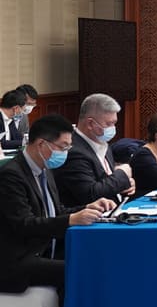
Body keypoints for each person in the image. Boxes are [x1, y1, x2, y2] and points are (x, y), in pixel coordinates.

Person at [0, 114, 115, 296]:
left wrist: (88, 208)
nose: (66, 153)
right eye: (63, 147)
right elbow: (25, 224)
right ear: (41, 144)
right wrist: (71, 219)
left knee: (101, 257)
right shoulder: (12, 175)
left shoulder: (46, 169)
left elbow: (55, 211)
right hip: (20, 258)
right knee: (84, 269)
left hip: (46, 247)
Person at [52, 93, 135, 207]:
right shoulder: (73, 152)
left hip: (115, 208)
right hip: (89, 214)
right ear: (90, 123)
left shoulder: (102, 143)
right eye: (109, 124)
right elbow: (91, 194)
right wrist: (122, 175)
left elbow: (107, 182)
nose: (113, 128)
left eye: (114, 123)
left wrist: (124, 185)